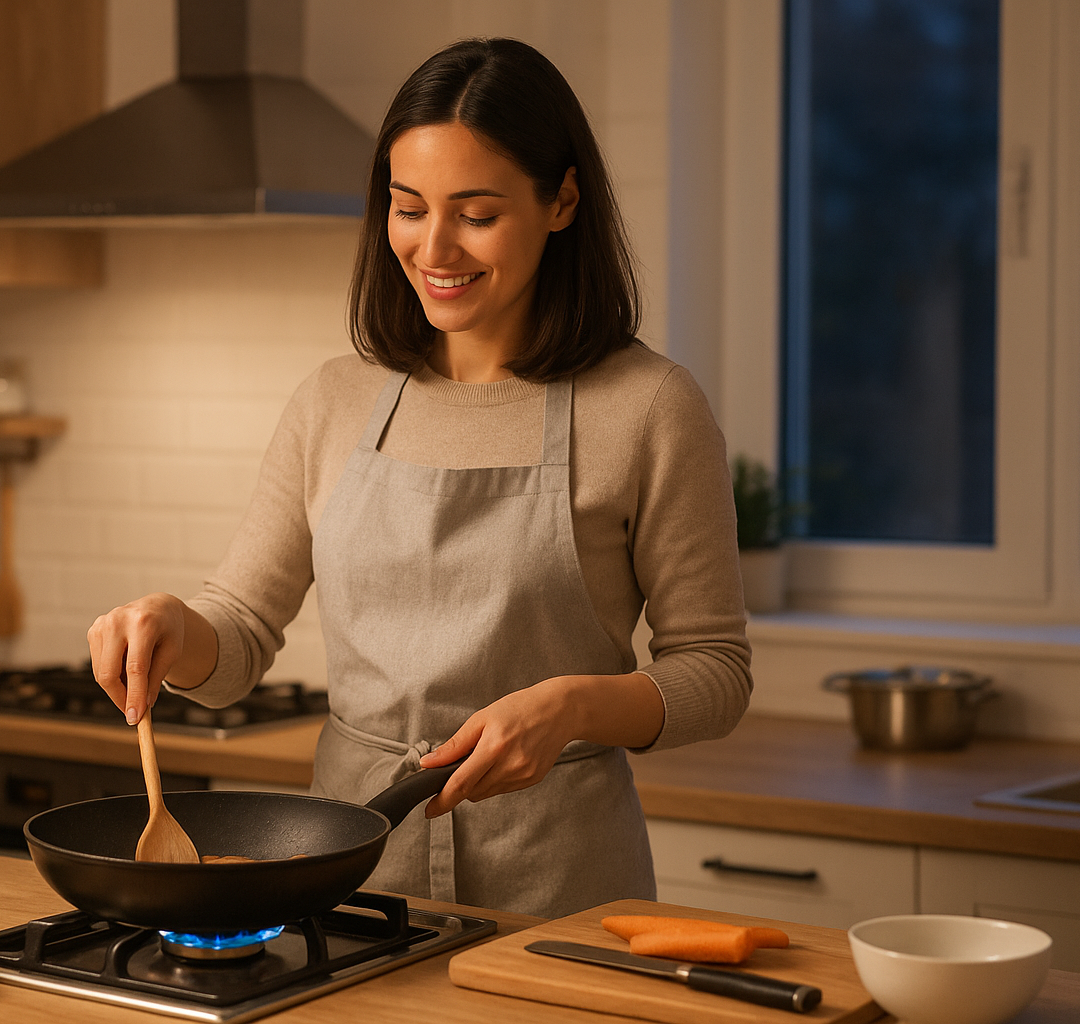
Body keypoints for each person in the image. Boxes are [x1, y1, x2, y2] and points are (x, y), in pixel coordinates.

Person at [87, 37, 751, 918]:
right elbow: (241, 629)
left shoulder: (649, 407)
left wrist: (572, 707)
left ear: (562, 201)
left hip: (558, 885)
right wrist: (176, 627)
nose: (433, 247)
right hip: (349, 873)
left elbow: (715, 670)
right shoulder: (335, 399)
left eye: (476, 214)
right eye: (407, 208)